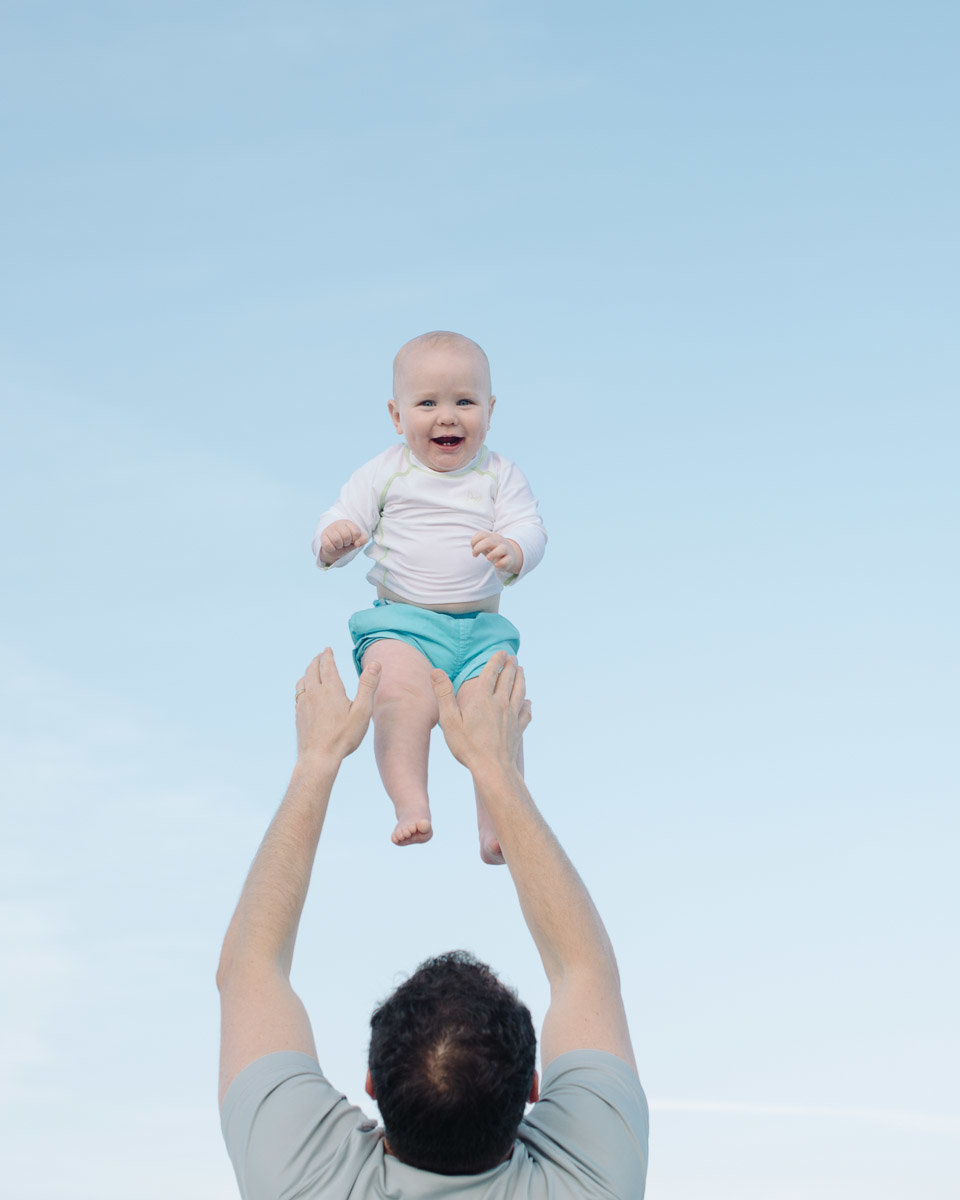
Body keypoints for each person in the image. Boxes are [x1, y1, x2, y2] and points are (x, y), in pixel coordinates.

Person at [217, 648, 648, 1198]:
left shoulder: (301, 1181)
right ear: (533, 1088)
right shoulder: (595, 1185)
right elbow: (583, 969)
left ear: (371, 1086)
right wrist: (498, 769)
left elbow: (249, 970)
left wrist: (318, 761)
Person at [312, 331, 547, 863]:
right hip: (402, 627)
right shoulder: (386, 470)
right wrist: (337, 541)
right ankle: (410, 803)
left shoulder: (500, 475)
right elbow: (339, 517)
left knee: (497, 717)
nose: (448, 417)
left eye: (465, 401)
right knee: (397, 700)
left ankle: (499, 826)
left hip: (481, 632)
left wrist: (514, 549)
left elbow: (530, 528)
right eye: (428, 403)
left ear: (490, 409)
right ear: (397, 416)